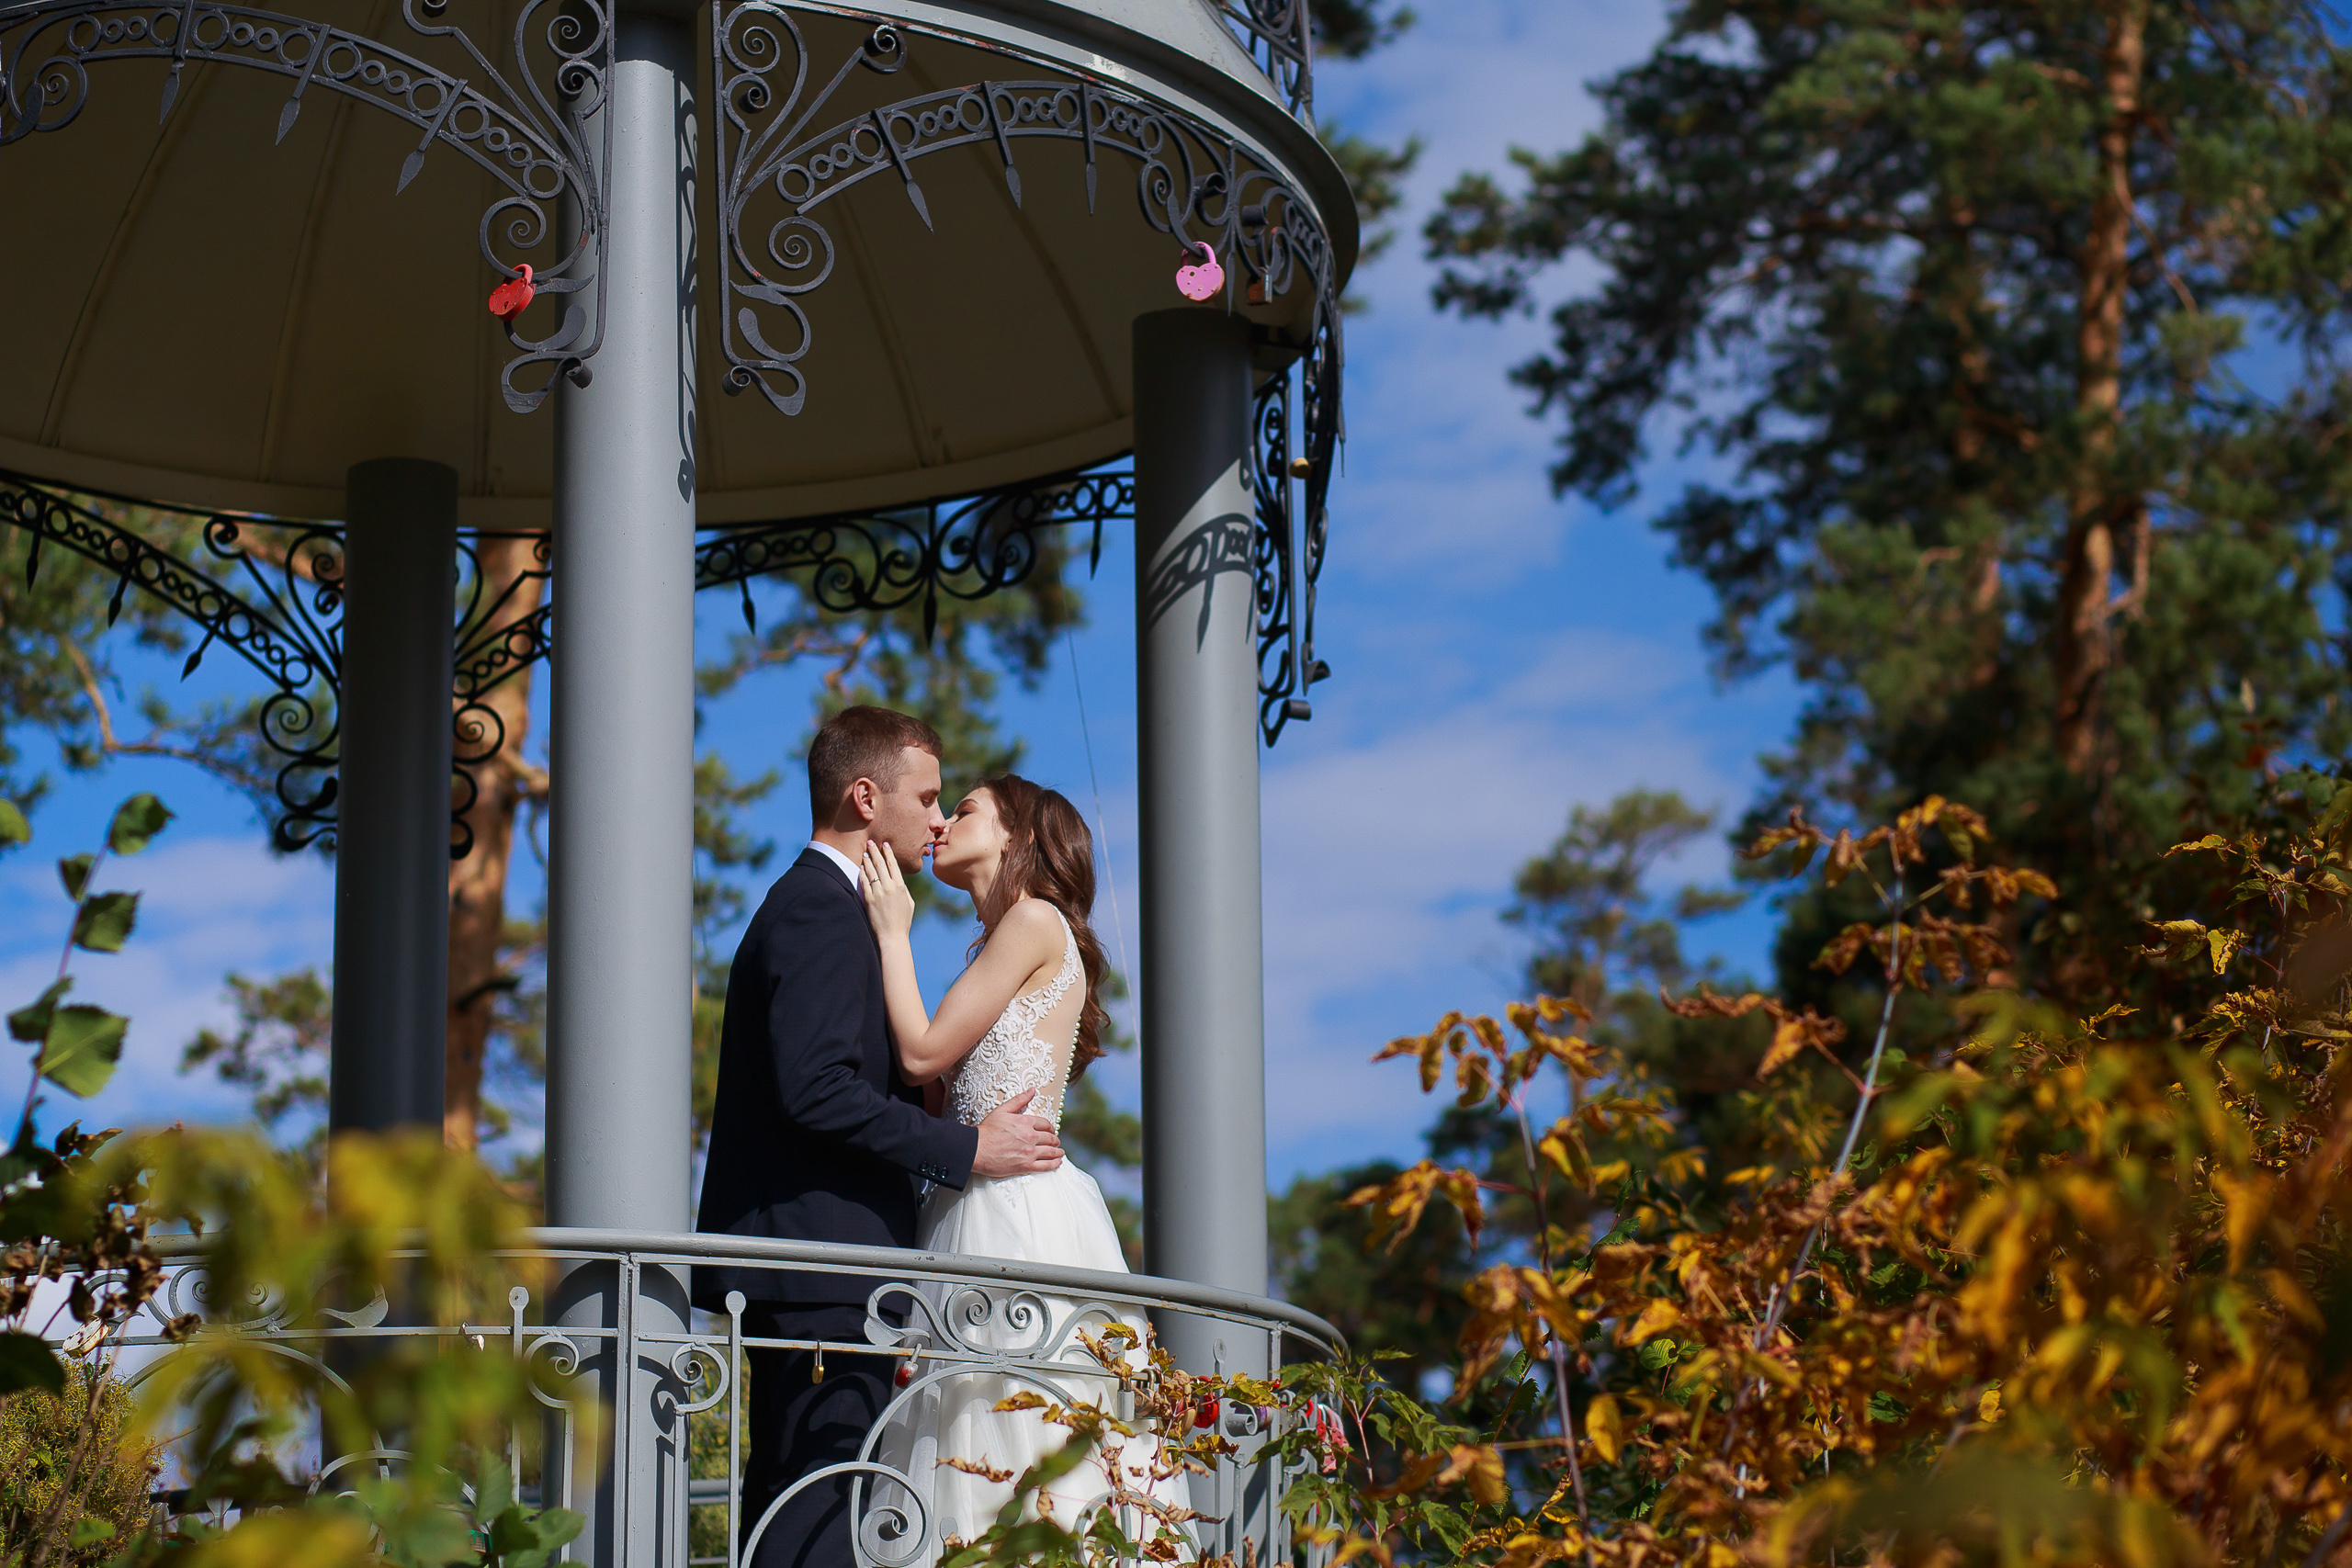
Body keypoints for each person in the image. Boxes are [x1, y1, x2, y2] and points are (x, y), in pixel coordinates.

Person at [695, 707, 1068, 1568]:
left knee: (819, 1495)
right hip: (820, 1269)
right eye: (929, 797)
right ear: (866, 797)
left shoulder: (831, 908)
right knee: (816, 1510)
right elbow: (818, 1090)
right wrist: (969, 1150)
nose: (938, 821)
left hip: (830, 1271)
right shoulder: (819, 911)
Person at [857, 773, 1184, 1552]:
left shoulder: (1035, 919)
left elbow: (919, 1051)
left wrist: (892, 932)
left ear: (1016, 835)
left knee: (1010, 1426)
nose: (942, 822)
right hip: (971, 1208)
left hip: (1013, 1218)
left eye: (964, 808)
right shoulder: (1013, 938)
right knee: (974, 1434)